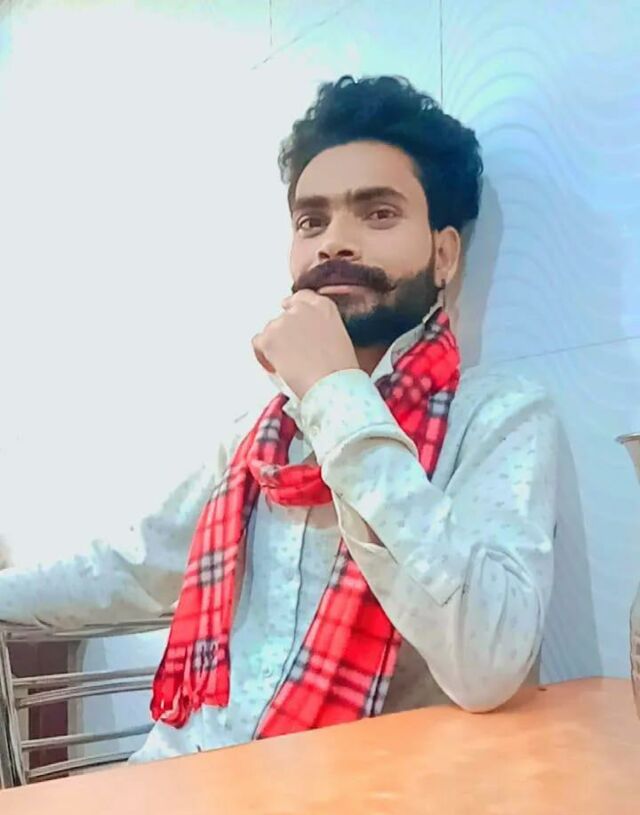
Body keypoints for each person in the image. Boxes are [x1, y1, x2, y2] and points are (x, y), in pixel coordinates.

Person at [0, 76, 558, 764]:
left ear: (444, 255)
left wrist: (335, 393)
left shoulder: (499, 416)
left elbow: (490, 661)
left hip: (348, 799)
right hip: (179, 774)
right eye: (311, 222)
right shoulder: (260, 437)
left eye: (378, 214)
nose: (334, 244)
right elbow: (136, 568)